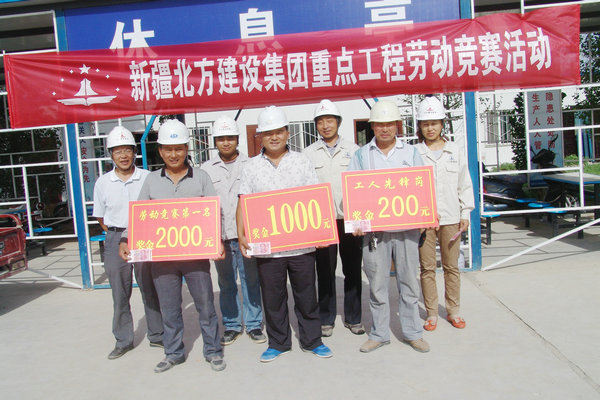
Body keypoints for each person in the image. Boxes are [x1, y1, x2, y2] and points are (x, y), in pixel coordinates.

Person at [118, 119, 226, 373]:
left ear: (187, 149)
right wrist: (125, 238)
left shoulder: (201, 177)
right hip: (163, 259)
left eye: (178, 148)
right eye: (168, 149)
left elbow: (215, 213)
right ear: (160, 151)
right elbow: (139, 216)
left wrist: (218, 240)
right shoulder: (151, 181)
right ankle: (174, 352)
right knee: (169, 308)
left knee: (205, 305)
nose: (174, 154)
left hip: (195, 257)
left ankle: (213, 350)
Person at [236, 105, 333, 362]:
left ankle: (312, 340)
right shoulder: (251, 167)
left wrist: (322, 232)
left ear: (287, 133)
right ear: (260, 136)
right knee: (273, 297)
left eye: (279, 131)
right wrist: (241, 233)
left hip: (302, 246)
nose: (274, 137)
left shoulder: (302, 161)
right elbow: (243, 202)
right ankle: (278, 343)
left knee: (306, 294)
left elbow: (315, 199)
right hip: (268, 249)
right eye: (268, 133)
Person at [348, 99, 430, 353]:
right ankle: (379, 333)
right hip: (375, 233)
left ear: (397, 125)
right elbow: (352, 192)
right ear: (372, 126)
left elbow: (422, 187)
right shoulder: (361, 155)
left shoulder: (411, 153)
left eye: (389, 124)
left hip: (407, 231)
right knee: (377, 284)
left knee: (409, 282)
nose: (384, 129)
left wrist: (425, 217)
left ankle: (412, 332)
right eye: (379, 124)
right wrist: (356, 221)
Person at [92, 125, 163, 360]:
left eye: (127, 150)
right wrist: (119, 233)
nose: (123, 155)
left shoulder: (147, 177)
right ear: (111, 154)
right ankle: (123, 340)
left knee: (149, 287)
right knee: (120, 293)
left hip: (144, 236)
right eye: (117, 151)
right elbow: (101, 218)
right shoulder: (103, 182)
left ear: (134, 152)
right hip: (115, 238)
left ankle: (157, 334)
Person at [200, 115, 266, 346]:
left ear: (238, 139)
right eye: (221, 139)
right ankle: (231, 325)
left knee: (251, 281)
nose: (226, 142)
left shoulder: (252, 164)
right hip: (221, 237)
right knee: (226, 282)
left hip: (246, 235)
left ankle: (254, 324)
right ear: (215, 142)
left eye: (230, 138)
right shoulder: (205, 170)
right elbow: (202, 204)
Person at [302, 100, 364, 337]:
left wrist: (360, 218)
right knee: (325, 271)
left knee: (352, 269)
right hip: (323, 221)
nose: (325, 125)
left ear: (338, 122)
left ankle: (354, 318)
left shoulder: (354, 150)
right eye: (320, 121)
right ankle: (326, 318)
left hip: (350, 219)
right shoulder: (308, 154)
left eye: (329, 120)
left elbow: (361, 184)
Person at [415, 96, 474, 331]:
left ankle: (453, 311)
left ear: (442, 124)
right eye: (425, 124)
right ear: (420, 126)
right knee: (427, 268)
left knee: (451, 267)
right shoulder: (414, 153)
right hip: (425, 220)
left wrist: (465, 212)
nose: (430, 128)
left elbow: (464, 183)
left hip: (451, 218)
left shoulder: (454, 150)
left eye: (434, 123)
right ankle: (431, 314)